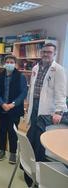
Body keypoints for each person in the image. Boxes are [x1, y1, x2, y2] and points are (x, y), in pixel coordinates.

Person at [24, 43, 67, 186]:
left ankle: (40, 172)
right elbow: (32, 91)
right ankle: (29, 167)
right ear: (41, 53)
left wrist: (59, 111)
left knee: (40, 141)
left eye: (49, 52)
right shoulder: (36, 68)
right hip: (35, 106)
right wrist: (29, 107)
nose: (46, 54)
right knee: (32, 138)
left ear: (54, 54)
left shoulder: (58, 70)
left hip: (48, 110)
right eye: (44, 52)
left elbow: (61, 93)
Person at [0, 55, 27, 164]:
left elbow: (23, 93)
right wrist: (2, 104)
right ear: (4, 64)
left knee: (13, 132)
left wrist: (12, 104)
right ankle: (2, 150)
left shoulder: (21, 77)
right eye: (7, 62)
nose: (9, 64)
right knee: (2, 131)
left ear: (15, 64)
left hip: (14, 109)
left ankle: (13, 153)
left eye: (11, 62)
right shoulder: (0, 76)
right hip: (1, 109)